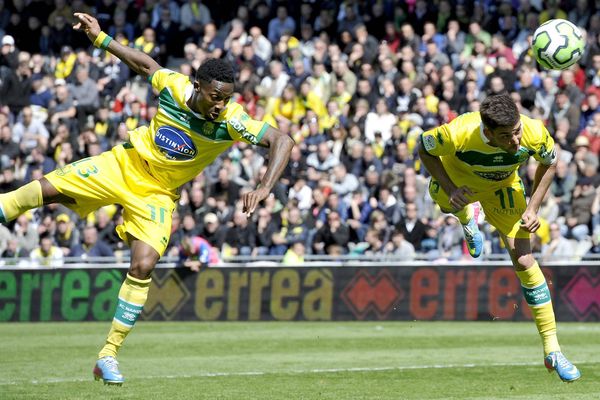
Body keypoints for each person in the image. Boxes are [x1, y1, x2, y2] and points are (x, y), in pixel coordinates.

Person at [0, 12, 294, 386]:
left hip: (157, 193)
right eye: (214, 96)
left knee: (144, 265)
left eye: (226, 98)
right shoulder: (173, 86)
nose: (220, 104)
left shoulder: (231, 120)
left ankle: (107, 355)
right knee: (47, 189)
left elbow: (281, 140)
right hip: (125, 164)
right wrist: (101, 38)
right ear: (196, 85)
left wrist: (265, 185)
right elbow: (144, 63)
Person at [418, 92, 580, 382]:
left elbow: (550, 162)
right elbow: (424, 148)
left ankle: (552, 348)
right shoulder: (458, 132)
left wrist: (533, 207)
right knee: (443, 199)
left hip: (503, 189)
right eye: (506, 136)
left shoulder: (532, 131)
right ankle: (467, 217)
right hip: (461, 185)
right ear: (488, 131)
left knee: (525, 259)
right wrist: (451, 187)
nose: (516, 142)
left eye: (517, 131)